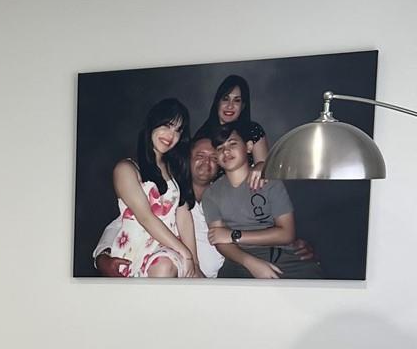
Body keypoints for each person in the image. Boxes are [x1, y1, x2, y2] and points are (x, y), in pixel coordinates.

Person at [97, 134, 316, 277]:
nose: (207, 162)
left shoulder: (222, 197)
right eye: (199, 156)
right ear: (187, 159)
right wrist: (102, 257)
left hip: (224, 281)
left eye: (213, 157)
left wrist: (292, 242)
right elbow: (123, 223)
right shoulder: (169, 198)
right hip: (176, 280)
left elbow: (258, 223)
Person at [90, 98, 198, 278]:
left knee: (164, 265)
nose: (171, 135)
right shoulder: (127, 169)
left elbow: (184, 217)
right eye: (167, 125)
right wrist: (185, 253)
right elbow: (145, 217)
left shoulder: (176, 170)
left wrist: (194, 262)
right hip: (135, 249)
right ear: (152, 124)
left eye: (177, 130)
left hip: (168, 250)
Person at [202, 121, 324, 279]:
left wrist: (234, 235)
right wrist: (251, 263)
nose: (226, 151)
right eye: (220, 148)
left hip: (283, 257)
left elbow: (287, 234)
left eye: (232, 144)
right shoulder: (211, 194)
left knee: (318, 287)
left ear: (249, 147)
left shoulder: (269, 182)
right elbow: (219, 239)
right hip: (239, 260)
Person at [195, 74, 269, 171]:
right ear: (217, 102)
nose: (230, 106)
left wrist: (260, 167)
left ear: (242, 106)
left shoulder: (253, 131)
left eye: (237, 100)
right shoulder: (203, 136)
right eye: (225, 99)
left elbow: (265, 169)